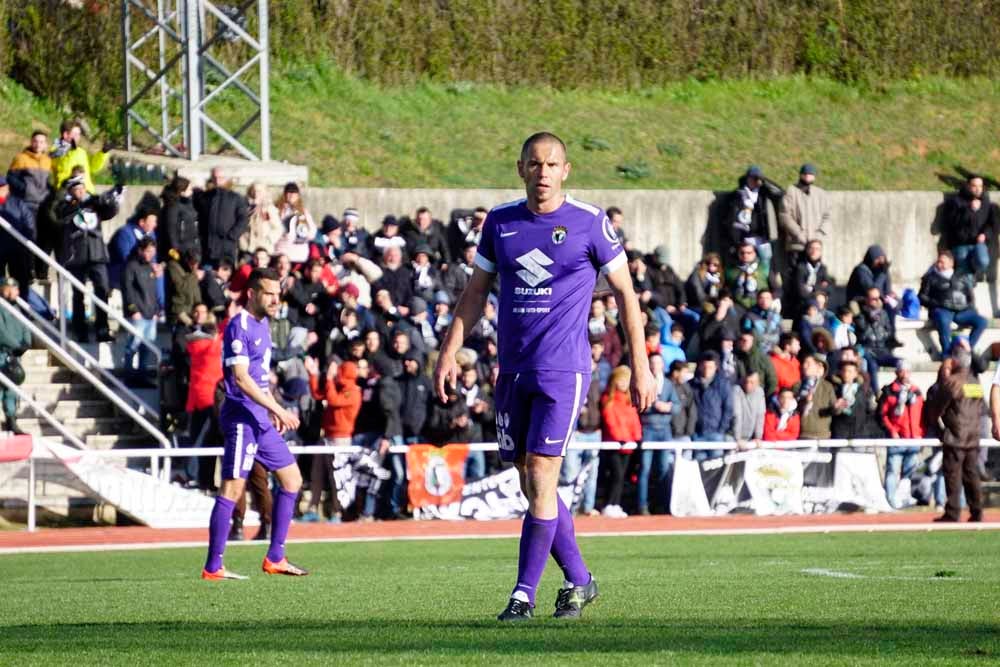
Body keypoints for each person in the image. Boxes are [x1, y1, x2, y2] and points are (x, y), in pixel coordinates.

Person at [433, 132, 654, 621]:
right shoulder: (501, 222)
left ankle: (522, 594)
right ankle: (579, 580)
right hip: (511, 369)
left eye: (552, 164)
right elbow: (475, 293)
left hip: (562, 368)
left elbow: (626, 293)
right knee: (533, 486)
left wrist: (640, 364)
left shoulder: (590, 223)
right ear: (521, 169)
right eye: (535, 164)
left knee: (540, 473)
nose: (543, 172)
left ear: (566, 170)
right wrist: (449, 352)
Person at [201, 267, 307, 580]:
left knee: (292, 480)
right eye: (270, 294)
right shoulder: (239, 325)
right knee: (232, 488)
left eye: (278, 293)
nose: (276, 300)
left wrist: (271, 409)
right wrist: (278, 408)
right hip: (241, 419)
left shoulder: (263, 325)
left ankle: (275, 557)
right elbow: (240, 378)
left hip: (260, 417)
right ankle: (213, 566)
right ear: (252, 293)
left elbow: (259, 378)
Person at [52, 176, 119, 342]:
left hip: (97, 254)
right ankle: (80, 329)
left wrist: (107, 199)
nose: (81, 192)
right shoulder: (66, 206)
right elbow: (60, 218)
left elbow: (110, 211)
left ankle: (102, 329)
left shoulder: (94, 205)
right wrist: (77, 206)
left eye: (82, 189)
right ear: (70, 192)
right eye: (76, 190)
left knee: (102, 291)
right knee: (78, 294)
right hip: (77, 256)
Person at [927, 349, 984, 522]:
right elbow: (982, 409)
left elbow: (936, 408)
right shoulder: (975, 383)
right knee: (972, 475)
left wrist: (938, 427)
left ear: (957, 363)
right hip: (973, 436)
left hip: (955, 436)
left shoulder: (951, 383)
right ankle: (977, 511)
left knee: (953, 475)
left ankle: (953, 512)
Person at [303, 358, 362, 523]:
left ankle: (338, 511)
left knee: (337, 477)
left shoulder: (353, 391)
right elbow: (318, 394)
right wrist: (313, 374)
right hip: (326, 436)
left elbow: (334, 401)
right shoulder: (335, 388)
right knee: (317, 474)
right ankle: (312, 508)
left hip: (340, 439)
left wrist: (329, 378)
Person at [919, 250, 986, 354]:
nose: (939, 264)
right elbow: (922, 297)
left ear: (951, 263)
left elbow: (970, 295)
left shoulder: (961, 277)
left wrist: (970, 307)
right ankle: (947, 353)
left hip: (961, 311)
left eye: (942, 262)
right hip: (942, 310)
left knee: (982, 321)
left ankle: (966, 349)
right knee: (944, 321)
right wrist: (936, 303)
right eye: (938, 262)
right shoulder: (930, 278)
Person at [880, 360, 925, 508]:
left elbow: (923, 414)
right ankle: (890, 500)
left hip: (913, 438)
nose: (905, 374)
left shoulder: (916, 391)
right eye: (902, 371)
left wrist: (920, 433)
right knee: (892, 470)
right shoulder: (889, 391)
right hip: (897, 439)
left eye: (907, 371)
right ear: (897, 372)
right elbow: (882, 414)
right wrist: (892, 431)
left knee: (909, 472)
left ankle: (904, 497)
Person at [725, 165, 783, 272]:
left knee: (766, 262)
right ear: (746, 178)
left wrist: (764, 182)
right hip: (745, 236)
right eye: (751, 178)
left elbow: (779, 193)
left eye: (756, 178)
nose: (753, 181)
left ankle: (763, 285)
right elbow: (731, 216)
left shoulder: (763, 193)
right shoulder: (738, 194)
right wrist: (735, 238)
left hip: (763, 237)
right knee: (746, 264)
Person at [601, 365, 641, 518]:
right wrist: (621, 438)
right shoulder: (608, 399)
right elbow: (610, 421)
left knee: (622, 476)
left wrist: (636, 438)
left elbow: (634, 421)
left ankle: (616, 504)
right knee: (615, 475)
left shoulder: (628, 400)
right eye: (621, 380)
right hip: (614, 444)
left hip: (628, 445)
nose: (624, 383)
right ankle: (609, 504)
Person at [120, 237, 160, 380]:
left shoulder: (151, 268)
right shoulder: (131, 266)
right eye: (148, 251)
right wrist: (133, 309)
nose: (150, 254)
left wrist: (156, 310)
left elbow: (153, 291)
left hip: (150, 314)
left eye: (153, 252)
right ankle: (129, 375)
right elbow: (128, 290)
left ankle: (142, 376)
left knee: (147, 346)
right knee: (132, 345)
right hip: (138, 314)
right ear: (140, 250)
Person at [778, 164, 831, 270]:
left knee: (814, 274)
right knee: (795, 273)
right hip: (797, 244)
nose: (807, 176)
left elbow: (827, 216)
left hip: (815, 245)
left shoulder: (821, 194)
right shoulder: (791, 191)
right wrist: (798, 233)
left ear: (814, 177)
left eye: (810, 174)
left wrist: (819, 234)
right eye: (805, 174)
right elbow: (785, 215)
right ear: (800, 175)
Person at [940, 174, 995, 276]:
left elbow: (990, 224)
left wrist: (985, 235)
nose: (978, 189)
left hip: (979, 243)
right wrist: (969, 210)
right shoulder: (956, 201)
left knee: (983, 262)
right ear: (968, 186)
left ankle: (971, 275)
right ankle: (969, 280)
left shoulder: (985, 202)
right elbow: (953, 223)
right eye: (974, 186)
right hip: (960, 244)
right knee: (964, 272)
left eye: (980, 186)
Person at [195, 167, 249, 268]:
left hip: (227, 247)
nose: (217, 180)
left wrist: (231, 236)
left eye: (221, 177)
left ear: (227, 178)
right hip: (207, 247)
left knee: (226, 278)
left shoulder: (236, 198)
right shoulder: (205, 197)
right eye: (215, 177)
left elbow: (243, 219)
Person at [0, 278, 31, 434]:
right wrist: (15, 345)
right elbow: (1, 332)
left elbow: (25, 327)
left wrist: (26, 343)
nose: (16, 292)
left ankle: (11, 420)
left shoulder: (17, 308)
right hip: (2, 353)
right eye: (13, 288)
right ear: (4, 289)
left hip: (14, 355)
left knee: (12, 389)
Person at [689, 350, 732, 460]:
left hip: (716, 433)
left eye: (710, 367)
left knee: (716, 466)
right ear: (699, 367)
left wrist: (721, 430)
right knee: (698, 465)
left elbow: (728, 409)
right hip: (698, 433)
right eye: (704, 366)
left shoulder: (722, 384)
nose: (707, 370)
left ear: (716, 367)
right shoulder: (692, 385)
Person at [49, 119, 109, 194]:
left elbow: (93, 168)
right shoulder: (56, 149)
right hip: (68, 192)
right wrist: (69, 148)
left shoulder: (81, 152)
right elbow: (58, 164)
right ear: (66, 134)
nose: (78, 137)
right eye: (76, 134)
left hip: (86, 191)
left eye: (79, 134)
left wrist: (103, 153)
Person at [856, 287, 901, 383]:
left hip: (882, 350)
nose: (877, 301)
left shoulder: (883, 314)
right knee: (872, 365)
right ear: (867, 300)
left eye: (878, 298)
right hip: (868, 351)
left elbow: (888, 332)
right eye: (874, 299)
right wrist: (872, 320)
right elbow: (864, 336)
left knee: (902, 363)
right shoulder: (861, 316)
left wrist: (880, 334)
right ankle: (876, 393)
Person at [0, 175, 37, 290]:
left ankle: (21, 305)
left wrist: (27, 244)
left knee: (21, 282)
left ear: (7, 187)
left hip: (17, 249)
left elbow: (30, 225)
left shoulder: (18, 204)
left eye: (1, 186)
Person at [6, 130, 51, 217]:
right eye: (35, 141)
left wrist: (48, 192)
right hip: (25, 202)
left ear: (45, 144)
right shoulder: (21, 158)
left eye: (41, 142)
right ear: (31, 142)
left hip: (41, 204)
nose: (38, 145)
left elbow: (47, 181)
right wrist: (26, 189)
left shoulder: (48, 161)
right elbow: (10, 178)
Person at [797, 354, 837, 440]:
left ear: (818, 367)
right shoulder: (798, 385)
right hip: (802, 434)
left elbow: (834, 410)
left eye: (808, 363)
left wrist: (837, 407)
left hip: (822, 434)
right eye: (804, 363)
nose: (804, 366)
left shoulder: (827, 387)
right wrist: (804, 402)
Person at [159, 176, 199, 261]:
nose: (192, 192)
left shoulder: (189, 203)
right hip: (180, 250)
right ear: (181, 191)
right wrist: (176, 249)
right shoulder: (172, 207)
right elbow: (171, 230)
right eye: (189, 189)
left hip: (191, 247)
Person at [724, 242, 769, 312]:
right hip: (738, 307)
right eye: (742, 253)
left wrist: (773, 299)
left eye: (749, 253)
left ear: (754, 253)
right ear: (738, 254)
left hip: (760, 306)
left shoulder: (763, 268)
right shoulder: (730, 270)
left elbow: (777, 289)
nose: (745, 255)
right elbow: (725, 288)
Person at [239, 183, 282, 255]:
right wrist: (241, 239)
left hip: (264, 249)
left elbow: (278, 228)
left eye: (259, 191)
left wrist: (269, 239)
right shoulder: (245, 207)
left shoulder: (270, 208)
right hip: (246, 247)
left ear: (264, 193)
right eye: (254, 191)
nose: (256, 193)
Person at [732, 370, 765, 446]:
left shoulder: (760, 392)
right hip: (733, 435)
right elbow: (737, 415)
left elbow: (760, 416)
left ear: (757, 383)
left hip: (750, 437)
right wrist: (738, 438)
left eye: (752, 382)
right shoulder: (736, 390)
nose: (748, 385)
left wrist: (758, 437)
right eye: (746, 381)